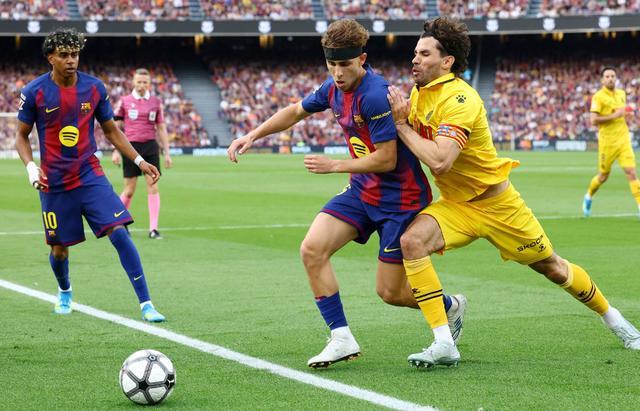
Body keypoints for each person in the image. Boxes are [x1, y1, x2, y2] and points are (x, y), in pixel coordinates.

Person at [387, 17, 640, 368]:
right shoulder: (419, 93)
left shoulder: (461, 99)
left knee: (553, 267)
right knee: (412, 242)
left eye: (424, 54)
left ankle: (614, 319)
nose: (414, 59)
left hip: (498, 206)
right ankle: (444, 342)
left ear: (447, 62)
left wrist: (401, 125)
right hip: (457, 206)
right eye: (415, 52)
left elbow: (441, 161)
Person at [227, 19, 466, 369]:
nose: (338, 73)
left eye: (345, 64)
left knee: (390, 293)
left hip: (398, 201)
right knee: (312, 249)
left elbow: (386, 159)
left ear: (362, 59)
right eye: (332, 64)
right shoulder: (333, 88)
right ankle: (341, 338)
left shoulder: (375, 95)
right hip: (362, 192)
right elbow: (295, 111)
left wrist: (334, 165)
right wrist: (252, 135)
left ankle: (449, 306)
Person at [15, 28, 166, 322]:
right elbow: (21, 136)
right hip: (54, 183)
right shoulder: (34, 92)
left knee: (119, 231)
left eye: (75, 54)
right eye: (64, 55)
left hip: (89, 175)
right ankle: (65, 290)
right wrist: (31, 167)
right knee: (59, 250)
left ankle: (146, 303)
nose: (71, 60)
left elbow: (111, 130)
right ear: (50, 58)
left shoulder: (94, 88)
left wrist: (138, 160)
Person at [112, 68, 172, 239]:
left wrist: (167, 153)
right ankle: (118, 222)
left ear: (149, 83)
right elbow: (116, 128)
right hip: (130, 147)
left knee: (153, 186)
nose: (141, 85)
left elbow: (161, 128)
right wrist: (116, 150)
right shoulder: (125, 101)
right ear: (133, 82)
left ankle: (153, 229)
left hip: (151, 147)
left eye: (145, 82)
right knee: (129, 190)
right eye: (139, 82)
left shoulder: (155, 102)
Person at [582, 66, 640, 217]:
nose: (610, 79)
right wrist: (614, 116)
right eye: (607, 76)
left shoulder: (621, 94)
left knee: (631, 172)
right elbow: (593, 120)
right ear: (602, 80)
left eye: (613, 76)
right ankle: (588, 196)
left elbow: (621, 114)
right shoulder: (598, 97)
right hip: (607, 143)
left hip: (623, 140)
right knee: (603, 176)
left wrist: (627, 116)